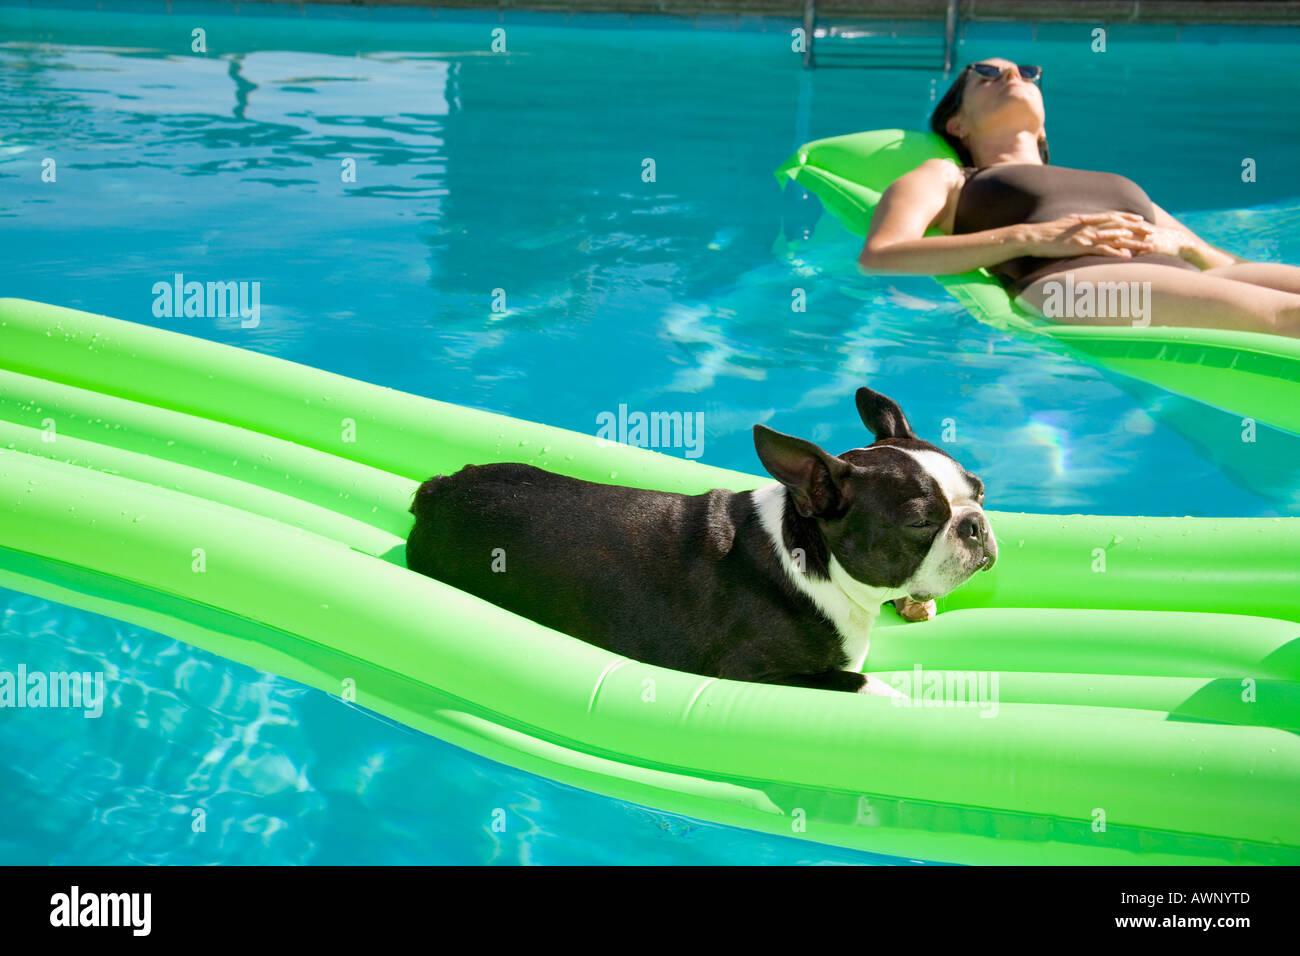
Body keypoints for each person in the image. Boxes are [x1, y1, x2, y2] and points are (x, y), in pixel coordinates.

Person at [858, 58, 1300, 338]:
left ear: (1044, 126)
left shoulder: (1109, 181)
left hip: (1183, 279)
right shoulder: (950, 176)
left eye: (1028, 72)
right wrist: (1031, 237)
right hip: (1071, 288)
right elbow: (882, 254)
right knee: (1288, 318)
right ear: (957, 126)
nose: (1014, 75)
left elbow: (1229, 265)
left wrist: (1187, 247)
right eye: (988, 73)